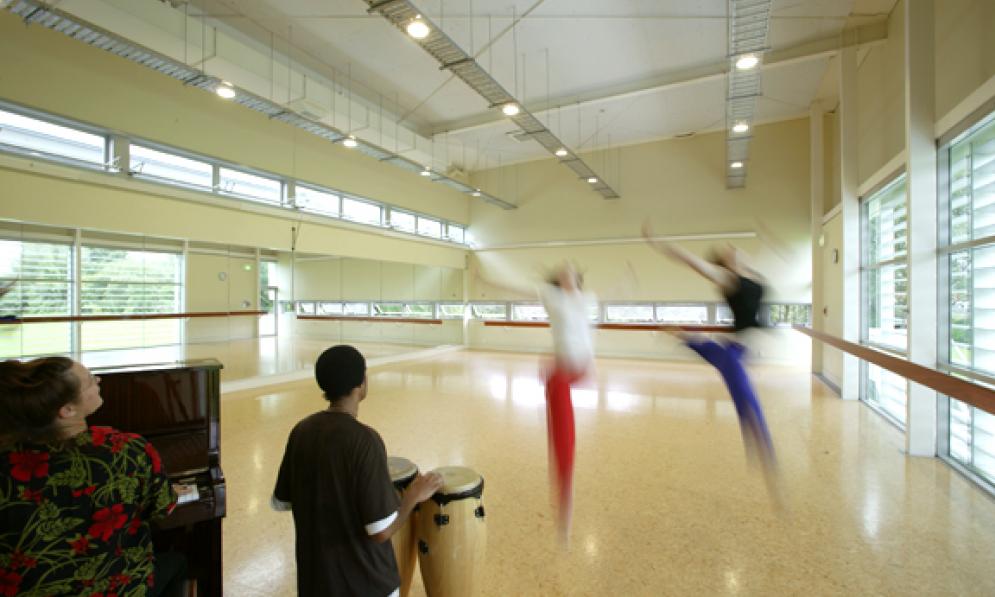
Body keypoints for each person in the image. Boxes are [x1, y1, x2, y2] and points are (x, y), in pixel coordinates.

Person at [0, 357, 181, 597]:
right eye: (89, 381)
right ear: (67, 410)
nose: (99, 380)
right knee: (177, 561)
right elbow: (162, 507)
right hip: (119, 586)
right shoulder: (126, 450)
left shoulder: (8, 462)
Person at [272, 345, 443, 597]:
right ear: (361, 383)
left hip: (315, 584)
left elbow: (282, 501)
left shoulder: (301, 430)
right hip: (366, 585)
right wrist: (411, 498)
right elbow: (381, 531)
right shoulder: (365, 440)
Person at [642, 220, 781, 505]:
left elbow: (769, 255)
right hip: (735, 351)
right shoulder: (726, 277)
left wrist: (768, 239)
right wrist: (658, 242)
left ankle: (683, 335)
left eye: (736, 248)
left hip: (742, 350)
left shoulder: (752, 274)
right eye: (730, 250)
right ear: (727, 261)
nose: (735, 249)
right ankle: (764, 453)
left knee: (721, 362)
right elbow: (689, 260)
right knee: (744, 395)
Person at [477, 262, 598, 543]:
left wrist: (628, 281)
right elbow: (515, 287)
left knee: (552, 372)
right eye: (562, 271)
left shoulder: (586, 298)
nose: (566, 272)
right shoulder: (550, 294)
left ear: (577, 278)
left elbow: (612, 293)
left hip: (579, 369)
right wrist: (486, 278)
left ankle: (565, 500)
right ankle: (564, 505)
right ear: (559, 279)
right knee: (563, 442)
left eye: (571, 270)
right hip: (562, 373)